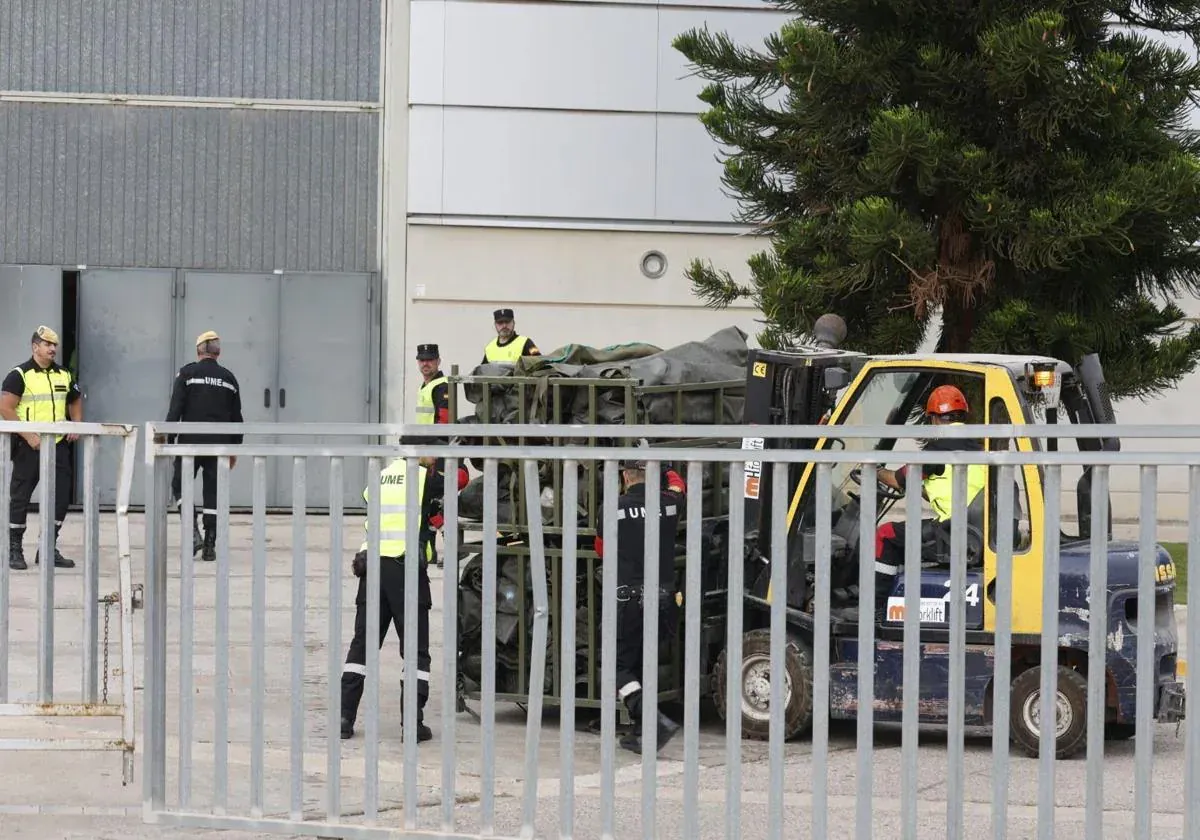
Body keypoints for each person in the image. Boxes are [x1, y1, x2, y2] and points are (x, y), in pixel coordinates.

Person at [340, 439, 469, 742]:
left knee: (362, 645)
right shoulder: (424, 478)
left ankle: (345, 718)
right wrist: (458, 455)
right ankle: (412, 724)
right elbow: (459, 482)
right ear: (420, 452)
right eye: (433, 453)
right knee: (415, 650)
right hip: (405, 571)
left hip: (370, 568)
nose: (435, 458)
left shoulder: (380, 477)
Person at [593, 441, 686, 754]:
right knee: (645, 663)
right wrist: (668, 466)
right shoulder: (670, 503)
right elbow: (679, 486)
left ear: (626, 476)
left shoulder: (612, 507)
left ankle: (648, 718)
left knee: (616, 664)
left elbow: (601, 550)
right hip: (664, 600)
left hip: (629, 599)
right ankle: (643, 732)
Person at [872, 384, 985, 602]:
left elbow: (896, 479)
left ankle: (875, 606)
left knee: (885, 534)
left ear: (933, 418)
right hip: (973, 528)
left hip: (952, 531)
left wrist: (873, 470)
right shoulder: (977, 445)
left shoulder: (937, 450)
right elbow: (948, 486)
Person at [0, 326, 83, 570]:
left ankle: (48, 547)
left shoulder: (64, 374)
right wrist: (28, 435)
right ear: (35, 346)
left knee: (61, 497)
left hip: (57, 445)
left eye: (54, 345)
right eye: (47, 344)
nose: (53, 349)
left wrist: (76, 425)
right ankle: (14, 548)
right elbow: (5, 407)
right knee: (20, 497)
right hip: (29, 446)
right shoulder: (20, 374)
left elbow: (75, 399)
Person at [164, 330, 244, 562]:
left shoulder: (187, 373)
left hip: (190, 444)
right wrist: (234, 449)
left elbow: (175, 408)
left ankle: (193, 534)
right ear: (218, 352)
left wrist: (170, 439)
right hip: (219, 446)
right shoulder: (229, 378)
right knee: (213, 492)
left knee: (180, 486)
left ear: (199, 350)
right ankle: (210, 545)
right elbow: (237, 417)